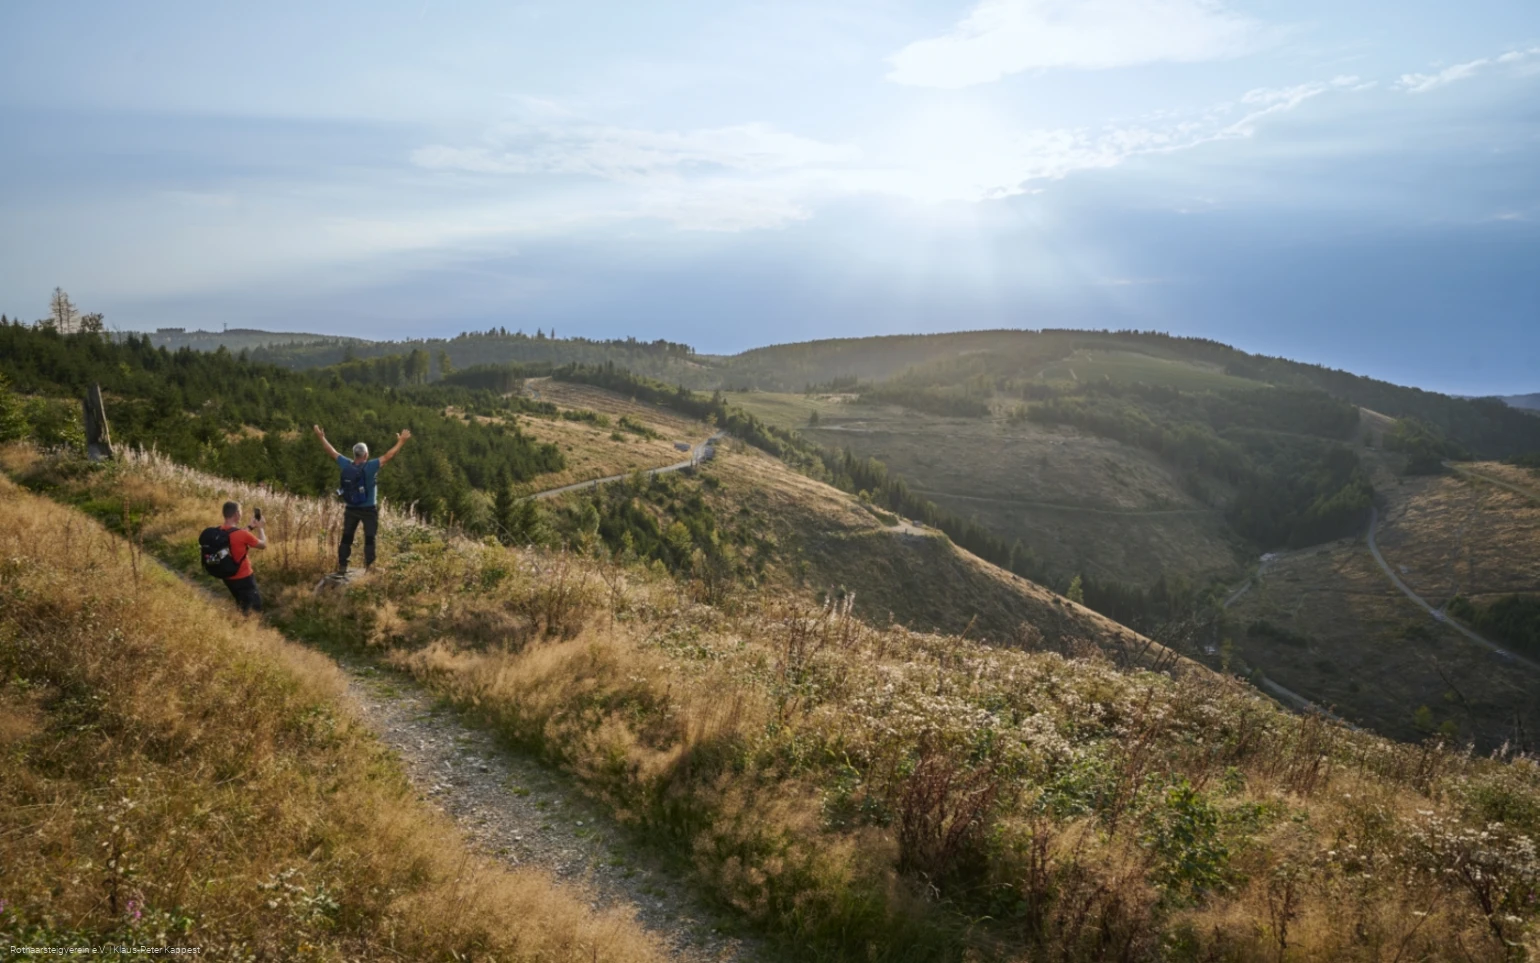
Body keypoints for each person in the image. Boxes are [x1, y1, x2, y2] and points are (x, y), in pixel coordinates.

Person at [313, 424, 411, 574]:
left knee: (347, 536)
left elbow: (331, 452)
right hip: (368, 509)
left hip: (351, 508)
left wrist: (321, 437)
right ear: (365, 455)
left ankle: (342, 565)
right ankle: (369, 566)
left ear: (355, 455)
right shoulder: (370, 467)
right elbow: (388, 456)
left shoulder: (346, 464)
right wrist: (401, 441)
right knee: (369, 537)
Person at [203, 501, 265, 613]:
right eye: (240, 512)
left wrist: (251, 527)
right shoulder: (242, 535)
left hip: (228, 576)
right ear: (237, 514)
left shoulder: (219, 531)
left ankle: (239, 622)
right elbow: (263, 545)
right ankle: (248, 627)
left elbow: (235, 536)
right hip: (244, 578)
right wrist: (261, 528)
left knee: (241, 603)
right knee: (254, 610)